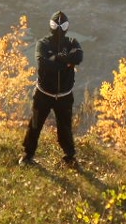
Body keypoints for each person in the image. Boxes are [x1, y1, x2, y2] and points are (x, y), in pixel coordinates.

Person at [19, 10, 83, 167]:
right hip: (43, 94)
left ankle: (69, 156)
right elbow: (43, 64)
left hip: (64, 96)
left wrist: (56, 59)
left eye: (63, 25)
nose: (60, 28)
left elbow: (78, 57)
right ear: (51, 26)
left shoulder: (72, 42)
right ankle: (27, 155)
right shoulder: (43, 43)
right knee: (35, 124)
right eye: (57, 25)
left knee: (65, 128)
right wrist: (66, 62)